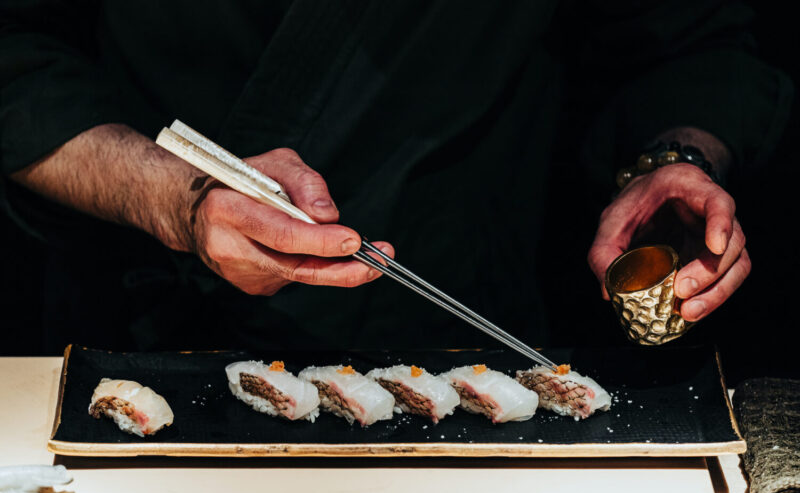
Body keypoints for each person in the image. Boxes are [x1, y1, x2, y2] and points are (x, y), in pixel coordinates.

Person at [0, 1, 791, 353]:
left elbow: (695, 43)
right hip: (134, 334)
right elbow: (16, 62)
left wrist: (679, 159)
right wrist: (178, 197)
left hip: (461, 344)